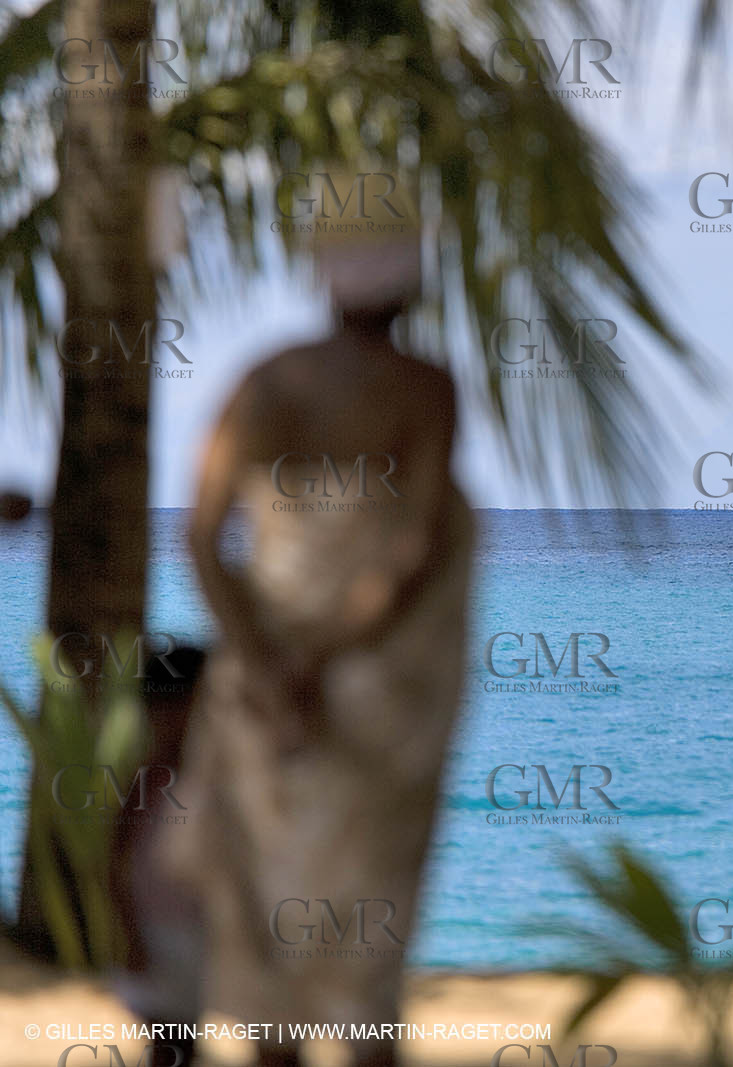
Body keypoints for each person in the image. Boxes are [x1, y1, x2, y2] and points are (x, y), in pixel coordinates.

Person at [175, 201, 474, 1067]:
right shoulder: (423, 387)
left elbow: (200, 538)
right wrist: (319, 659)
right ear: (410, 280)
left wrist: (266, 664)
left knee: (271, 922)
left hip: (263, 685)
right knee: (364, 925)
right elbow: (414, 552)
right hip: (377, 680)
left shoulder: (264, 382)